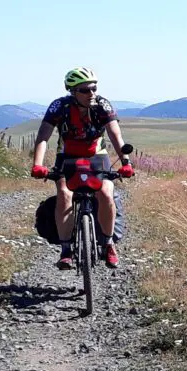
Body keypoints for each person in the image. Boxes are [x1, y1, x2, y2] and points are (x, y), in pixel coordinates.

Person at [30, 67, 133, 269]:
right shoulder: (59, 106)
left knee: (105, 192)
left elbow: (115, 136)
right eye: (85, 90)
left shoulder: (102, 105)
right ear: (72, 91)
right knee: (64, 193)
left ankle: (109, 244)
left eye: (94, 88)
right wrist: (37, 165)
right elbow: (43, 137)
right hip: (67, 156)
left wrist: (126, 163)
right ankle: (66, 250)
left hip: (97, 155)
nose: (91, 93)